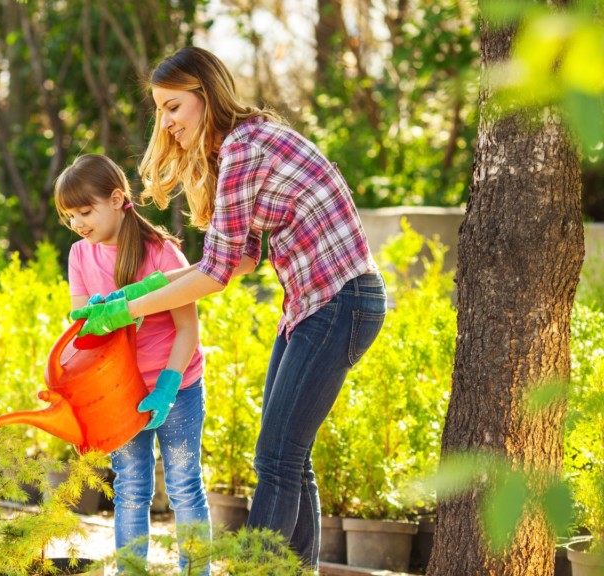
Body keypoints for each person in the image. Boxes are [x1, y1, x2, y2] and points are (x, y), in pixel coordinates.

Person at [70, 46, 387, 568]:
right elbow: (239, 260)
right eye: (160, 110)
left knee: (276, 458)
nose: (166, 122)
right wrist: (132, 294)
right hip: (310, 306)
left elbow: (214, 276)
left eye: (173, 107)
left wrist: (129, 310)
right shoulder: (240, 146)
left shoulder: (244, 147)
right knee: (291, 458)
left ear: (205, 93)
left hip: (340, 302)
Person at [54, 154, 211, 574]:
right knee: (131, 487)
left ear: (118, 198)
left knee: (183, 486)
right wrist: (93, 318)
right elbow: (84, 338)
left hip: (177, 386)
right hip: (120, 393)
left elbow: (187, 330)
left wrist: (168, 384)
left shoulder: (162, 253)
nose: (78, 223)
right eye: (70, 216)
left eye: (85, 211)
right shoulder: (79, 256)